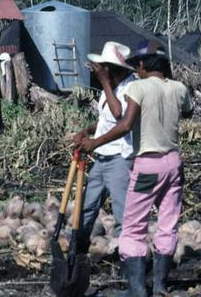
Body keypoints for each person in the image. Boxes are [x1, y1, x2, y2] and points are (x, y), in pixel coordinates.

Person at [81, 41, 193, 297]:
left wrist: (95, 142)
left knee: (133, 225)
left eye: (137, 67)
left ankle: (137, 290)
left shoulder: (138, 87)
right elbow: (187, 111)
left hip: (148, 168)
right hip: (174, 165)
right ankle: (161, 285)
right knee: (168, 223)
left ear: (141, 66)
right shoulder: (178, 88)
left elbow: (125, 124)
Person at [72, 41, 137, 250]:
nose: (99, 71)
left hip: (119, 157)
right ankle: (77, 252)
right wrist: (87, 131)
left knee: (122, 212)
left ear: (112, 69)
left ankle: (125, 259)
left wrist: (105, 83)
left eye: (103, 68)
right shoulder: (109, 88)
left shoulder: (131, 87)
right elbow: (105, 119)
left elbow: (120, 116)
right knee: (88, 206)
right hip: (101, 156)